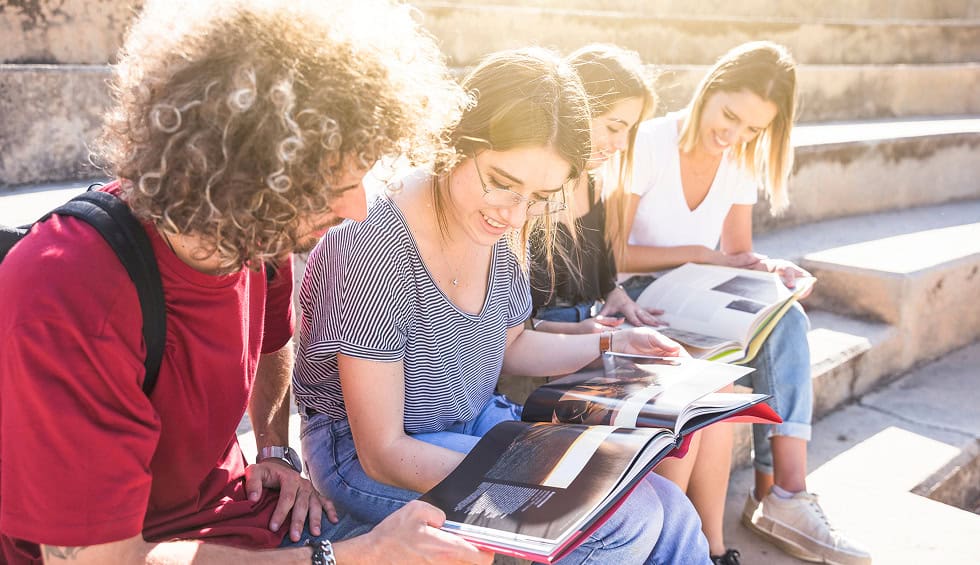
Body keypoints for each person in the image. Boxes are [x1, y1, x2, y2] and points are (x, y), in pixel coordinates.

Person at [0, 1, 494, 564]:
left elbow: (274, 339)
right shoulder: (67, 294)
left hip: (243, 520)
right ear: (243, 166)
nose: (358, 209)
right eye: (335, 183)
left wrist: (276, 448)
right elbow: (110, 563)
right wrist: (356, 555)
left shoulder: (254, 229)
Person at [293, 47, 713, 564]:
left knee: (672, 507)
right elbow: (384, 453)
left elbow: (509, 343)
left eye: (539, 196)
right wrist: (547, 484)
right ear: (455, 139)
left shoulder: (499, 220)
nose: (515, 215)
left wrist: (611, 342)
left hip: (472, 423)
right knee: (617, 520)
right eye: (502, 182)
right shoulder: (371, 245)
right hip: (365, 458)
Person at [616, 41, 872, 565]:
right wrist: (700, 254)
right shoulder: (651, 141)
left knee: (787, 316)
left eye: (753, 129)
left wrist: (770, 271)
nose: (734, 136)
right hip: (642, 294)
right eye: (730, 116)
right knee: (731, 362)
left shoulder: (739, 161)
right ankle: (759, 501)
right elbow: (615, 249)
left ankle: (784, 493)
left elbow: (734, 254)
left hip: (701, 291)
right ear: (711, 89)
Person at [527, 44, 740, 565]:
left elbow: (600, 277)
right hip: (549, 353)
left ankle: (711, 549)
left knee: (719, 386)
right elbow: (513, 328)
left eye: (630, 131)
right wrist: (593, 333)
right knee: (677, 409)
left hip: (597, 331)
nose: (621, 144)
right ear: (574, 109)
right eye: (613, 126)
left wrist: (620, 300)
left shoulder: (594, 182)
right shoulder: (533, 188)